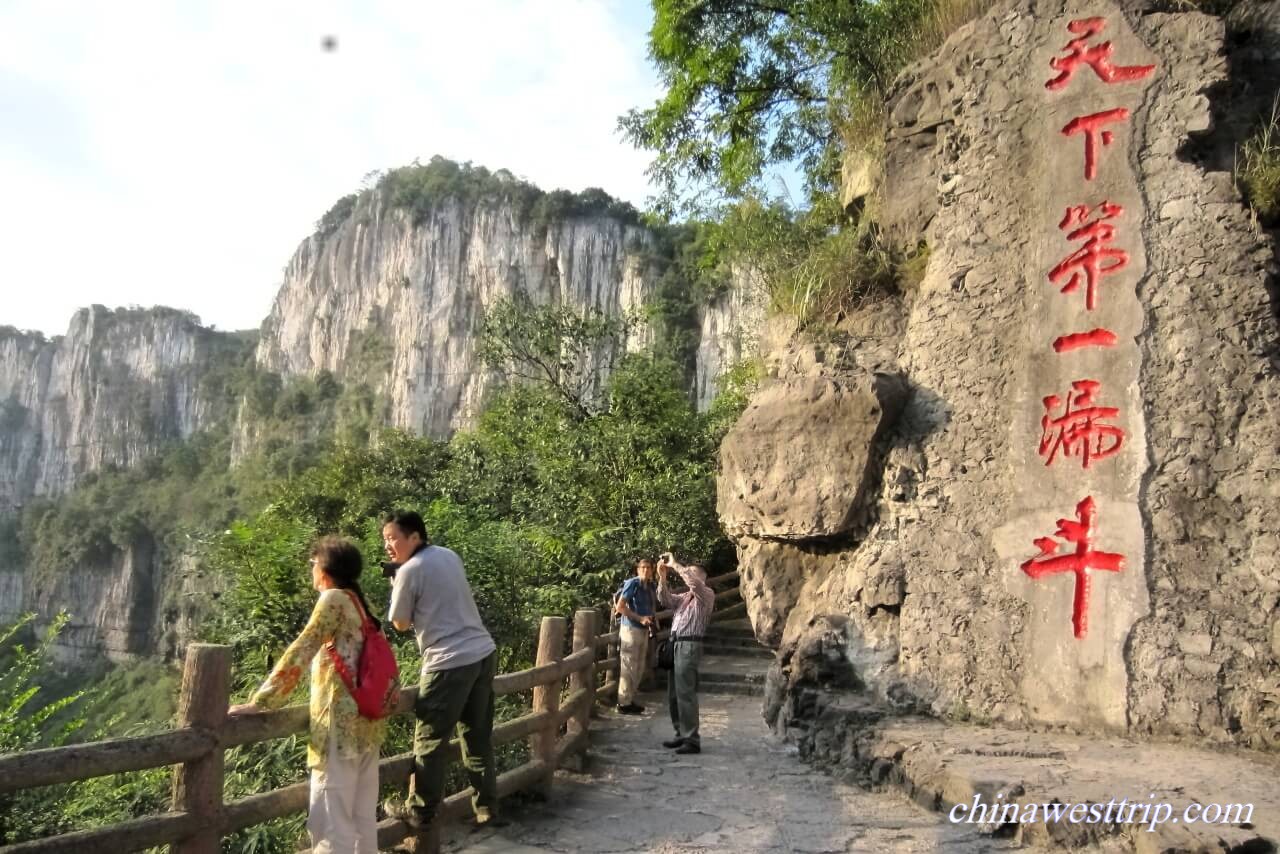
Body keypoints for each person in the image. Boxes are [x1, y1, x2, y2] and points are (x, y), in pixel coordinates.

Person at [229, 537, 386, 854]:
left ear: (326, 569)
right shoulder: (357, 602)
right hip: (367, 725)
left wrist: (262, 702)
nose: (311, 569)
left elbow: (302, 648)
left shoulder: (333, 599)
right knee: (361, 821)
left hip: (338, 727)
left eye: (313, 563)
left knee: (331, 825)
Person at [380, 509, 500, 829]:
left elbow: (400, 623)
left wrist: (397, 580)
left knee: (430, 740)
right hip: (482, 652)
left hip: (448, 662)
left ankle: (421, 810)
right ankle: (487, 807)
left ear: (414, 537)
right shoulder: (448, 555)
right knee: (476, 737)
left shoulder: (408, 571)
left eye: (393, 538)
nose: (388, 545)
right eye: (385, 540)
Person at [656, 552, 715, 755]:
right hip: (675, 644)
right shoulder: (684, 598)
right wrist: (662, 577)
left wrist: (676, 565)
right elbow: (664, 599)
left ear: (700, 576)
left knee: (685, 693)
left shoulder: (706, 594)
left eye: (690, 572)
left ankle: (692, 739)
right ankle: (680, 733)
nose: (685, 574)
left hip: (689, 645)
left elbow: (694, 584)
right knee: (674, 693)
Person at [614, 557, 657, 714]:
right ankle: (623, 703)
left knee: (638, 666)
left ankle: (630, 700)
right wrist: (640, 618)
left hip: (644, 629)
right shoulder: (633, 583)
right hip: (631, 628)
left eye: (648, 568)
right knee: (629, 666)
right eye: (642, 567)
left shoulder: (650, 586)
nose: (645, 570)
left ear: (652, 570)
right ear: (638, 570)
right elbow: (620, 607)